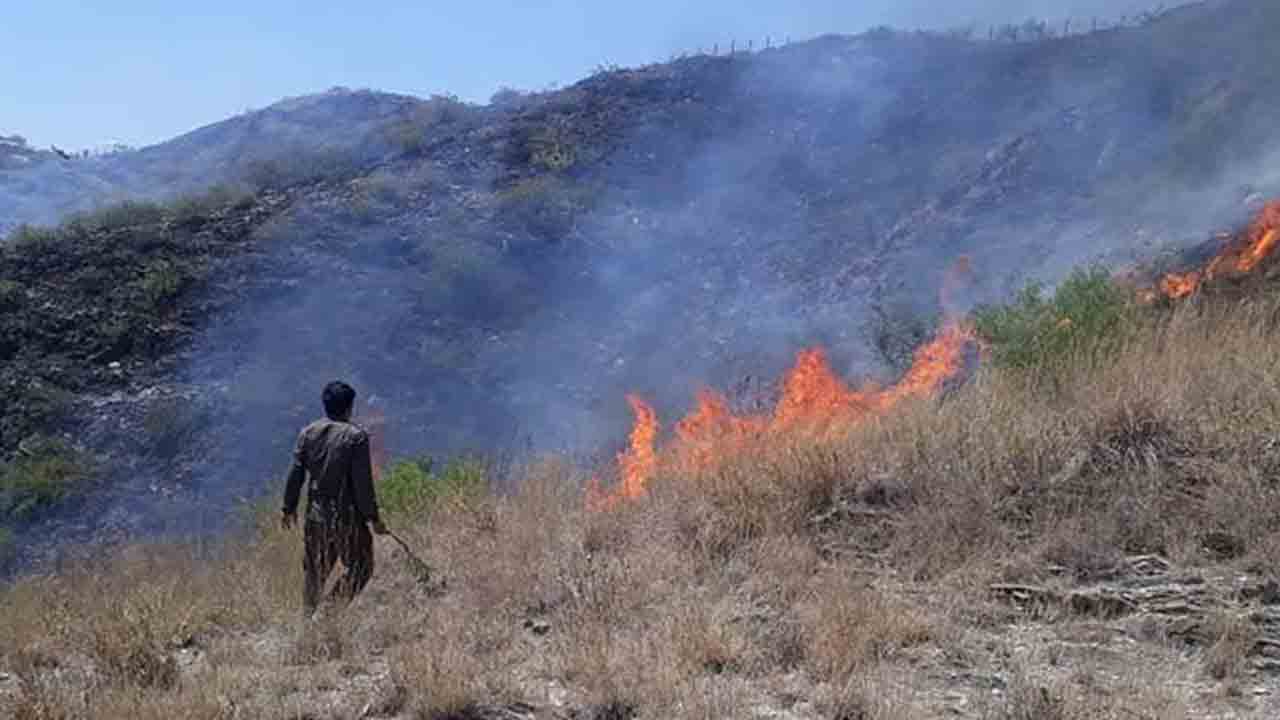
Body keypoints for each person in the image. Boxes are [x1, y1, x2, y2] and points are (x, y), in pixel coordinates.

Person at [282, 381, 389, 615]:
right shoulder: (356, 437)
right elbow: (363, 485)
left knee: (315, 572)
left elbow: (295, 474)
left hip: (315, 517)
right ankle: (328, 614)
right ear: (350, 407)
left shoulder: (308, 433)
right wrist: (373, 518)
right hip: (347, 519)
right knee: (361, 566)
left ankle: (307, 618)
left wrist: (288, 508)